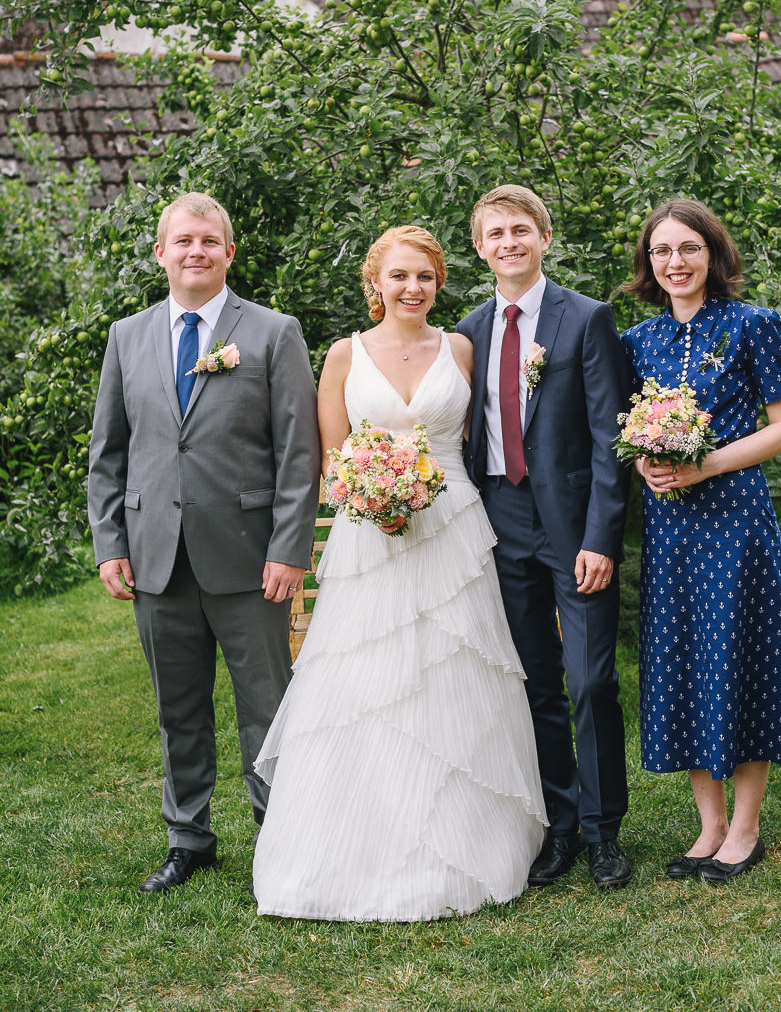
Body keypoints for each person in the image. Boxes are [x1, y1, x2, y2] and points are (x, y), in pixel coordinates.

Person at [252, 225, 546, 921]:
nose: (413, 288)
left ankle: (469, 836)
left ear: (439, 283)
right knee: (368, 681)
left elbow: (480, 440)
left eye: (425, 277)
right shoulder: (344, 355)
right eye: (400, 276)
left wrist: (422, 487)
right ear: (375, 284)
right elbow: (332, 459)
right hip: (370, 534)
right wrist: (374, 495)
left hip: (454, 531)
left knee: (456, 671)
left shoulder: (462, 348)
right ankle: (359, 845)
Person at [88, 192, 320, 893]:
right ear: (161, 252)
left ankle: (281, 835)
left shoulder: (273, 332)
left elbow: (298, 454)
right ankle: (188, 839)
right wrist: (110, 542)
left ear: (229, 252)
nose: (197, 251)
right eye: (184, 241)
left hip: (250, 556)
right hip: (156, 555)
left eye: (209, 241)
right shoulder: (127, 336)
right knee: (178, 709)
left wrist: (289, 549)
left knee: (267, 709)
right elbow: (108, 453)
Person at [456, 185, 634, 893]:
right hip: (499, 519)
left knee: (590, 680)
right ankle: (560, 827)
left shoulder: (585, 319)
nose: (510, 243)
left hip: (574, 526)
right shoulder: (468, 332)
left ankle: (604, 831)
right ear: (480, 248)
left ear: (544, 237)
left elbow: (610, 439)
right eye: (496, 233)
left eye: (521, 230)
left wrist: (601, 537)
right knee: (534, 681)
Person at [619, 198, 781, 884]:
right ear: (649, 263)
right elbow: (629, 429)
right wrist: (644, 461)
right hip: (670, 525)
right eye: (662, 251)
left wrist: (709, 463)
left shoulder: (755, 325)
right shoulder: (637, 342)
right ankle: (711, 825)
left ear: (712, 254)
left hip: (736, 519)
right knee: (685, 659)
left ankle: (746, 829)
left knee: (742, 656)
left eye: (688, 248)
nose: (676, 262)